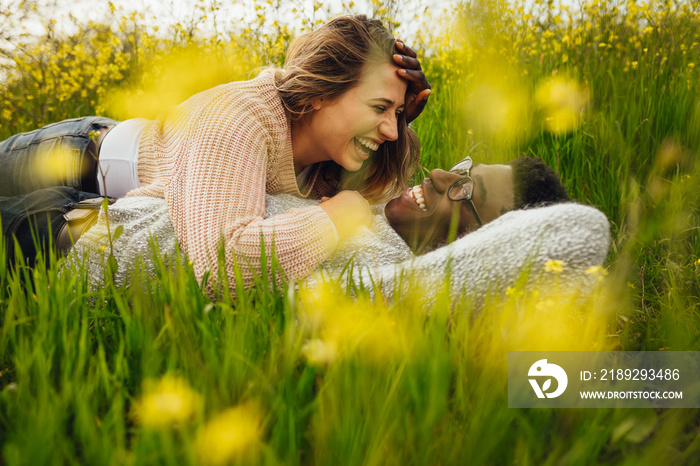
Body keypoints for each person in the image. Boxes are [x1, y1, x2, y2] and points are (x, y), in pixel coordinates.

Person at [0, 15, 431, 290]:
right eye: (380, 108)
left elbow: (383, 208)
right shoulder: (239, 116)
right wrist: (338, 215)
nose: (391, 130)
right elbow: (225, 264)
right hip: (82, 156)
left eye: (398, 115)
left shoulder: (330, 155)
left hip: (90, 201)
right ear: (321, 92)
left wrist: (403, 120)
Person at [63, 156, 601, 301]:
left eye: (466, 190)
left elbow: (581, 234)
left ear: (481, 245)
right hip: (90, 200)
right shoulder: (376, 210)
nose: (441, 176)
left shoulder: (380, 276)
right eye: (463, 169)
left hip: (53, 250)